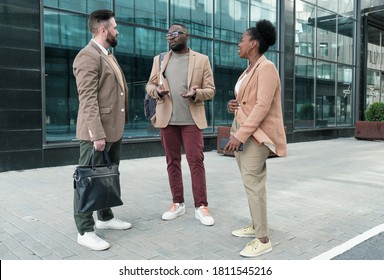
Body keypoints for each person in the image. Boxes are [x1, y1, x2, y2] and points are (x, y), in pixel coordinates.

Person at [224, 19, 287, 257]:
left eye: (241, 39)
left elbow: (262, 106)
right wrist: (234, 106)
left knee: (254, 185)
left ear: (253, 44)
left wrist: (239, 136)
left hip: (256, 136)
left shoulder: (267, 67)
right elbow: (248, 102)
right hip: (243, 130)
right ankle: (256, 225)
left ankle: (262, 239)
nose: (237, 44)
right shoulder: (249, 69)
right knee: (250, 184)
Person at [145, 23, 216, 226]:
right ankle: (178, 202)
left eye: (175, 34)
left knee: (196, 162)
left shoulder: (202, 60)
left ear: (187, 35)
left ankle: (201, 206)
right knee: (172, 162)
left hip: (191, 120)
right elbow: (149, 84)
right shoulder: (159, 60)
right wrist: (156, 92)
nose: (170, 37)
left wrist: (197, 93)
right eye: (168, 35)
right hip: (167, 120)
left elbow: (211, 89)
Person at [72, 9, 131, 251]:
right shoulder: (87, 56)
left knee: (105, 175)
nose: (117, 31)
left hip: (112, 130)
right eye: (115, 27)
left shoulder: (108, 55)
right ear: (104, 30)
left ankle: (105, 217)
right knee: (86, 180)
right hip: (96, 133)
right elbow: (87, 98)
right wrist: (97, 134)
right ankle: (84, 230)